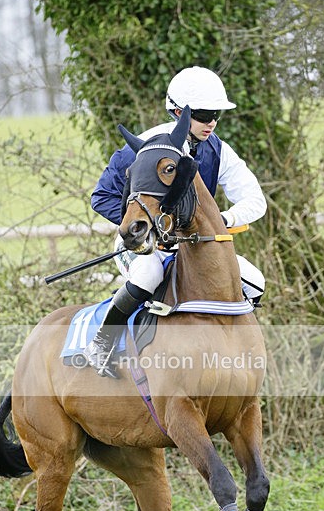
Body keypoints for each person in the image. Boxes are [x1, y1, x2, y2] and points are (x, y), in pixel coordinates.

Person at [84, 66, 267, 377]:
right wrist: (147, 228)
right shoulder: (145, 146)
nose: (211, 123)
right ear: (179, 111)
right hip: (144, 242)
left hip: (193, 243)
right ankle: (103, 343)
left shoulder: (219, 149)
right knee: (149, 274)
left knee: (253, 280)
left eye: (216, 115)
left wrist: (222, 219)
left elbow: (256, 201)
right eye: (205, 114)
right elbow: (101, 196)